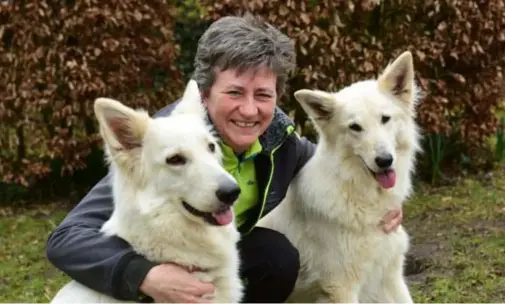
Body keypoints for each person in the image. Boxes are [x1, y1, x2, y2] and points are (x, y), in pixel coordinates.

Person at [46, 13, 404, 303]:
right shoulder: (162, 148)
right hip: (157, 265)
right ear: (204, 94)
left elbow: (336, 166)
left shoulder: (282, 142)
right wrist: (144, 276)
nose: (250, 110)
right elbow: (66, 239)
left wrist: (383, 200)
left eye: (263, 94)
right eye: (235, 92)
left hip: (218, 259)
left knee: (275, 256)